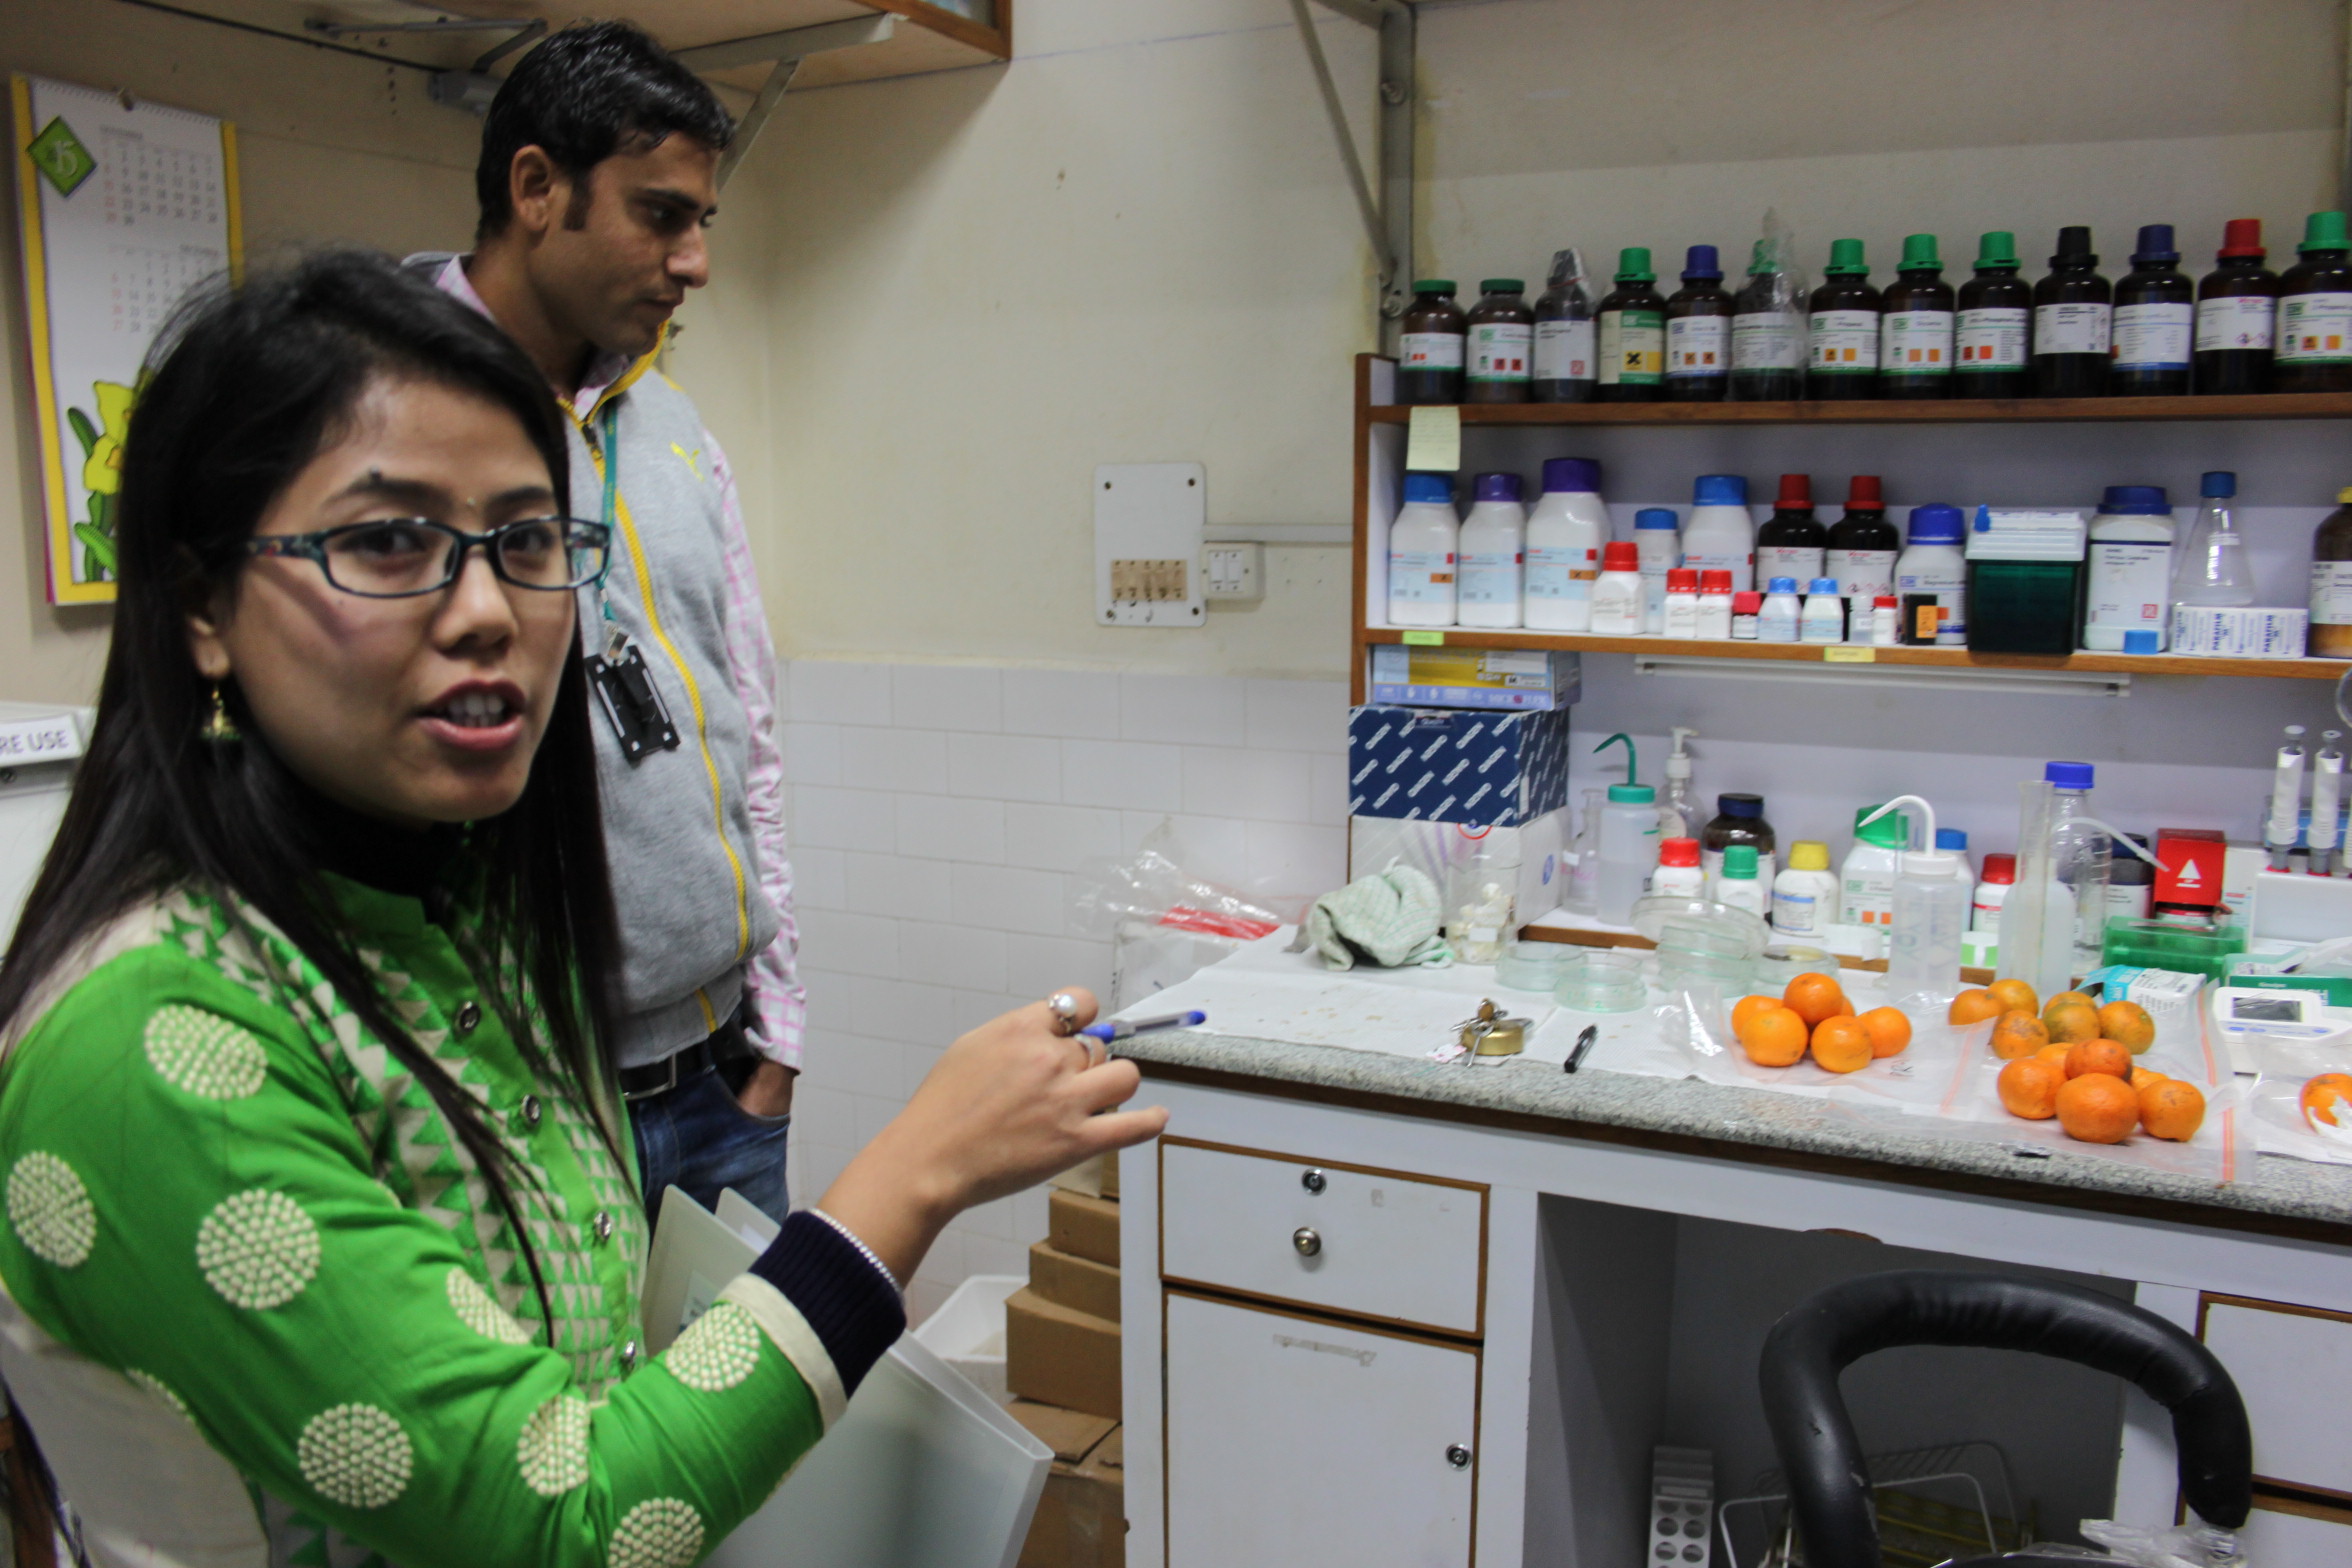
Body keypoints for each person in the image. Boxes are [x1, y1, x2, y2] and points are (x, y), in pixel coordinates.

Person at [0, 251, 1162, 1565]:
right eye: (389, 540)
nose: (490, 610)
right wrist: (920, 1171)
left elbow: (576, 1368)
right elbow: (560, 1524)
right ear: (202, 603)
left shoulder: (457, 902)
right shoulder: (147, 1046)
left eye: (528, 540)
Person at [407, 21, 801, 1222]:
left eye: (703, 223)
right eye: (661, 215)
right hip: (533, 1094)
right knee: (579, 1416)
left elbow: (752, 732)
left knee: (758, 1405)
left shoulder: (672, 424)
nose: (694, 262)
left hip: (724, 1076)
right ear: (537, 189)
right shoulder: (392, 415)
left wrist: (780, 1040)